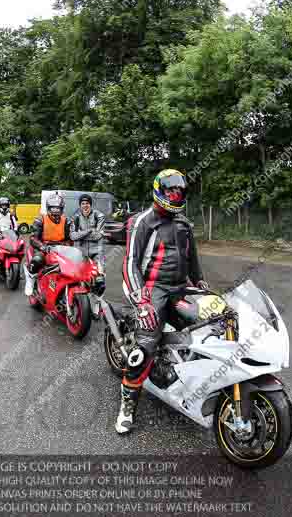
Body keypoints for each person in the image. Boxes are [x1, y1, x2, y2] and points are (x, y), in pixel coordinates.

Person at [115, 169, 209, 435]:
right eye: (171, 192)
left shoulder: (184, 224)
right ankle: (127, 406)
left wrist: (201, 284)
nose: (175, 196)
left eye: (179, 192)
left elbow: (193, 261)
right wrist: (142, 300)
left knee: (207, 324)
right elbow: (130, 262)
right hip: (151, 289)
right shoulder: (142, 221)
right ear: (159, 190)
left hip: (179, 288)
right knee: (144, 346)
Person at [25, 194, 73, 296]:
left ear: (62, 209)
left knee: (76, 263)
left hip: (61, 248)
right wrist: (43, 247)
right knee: (37, 260)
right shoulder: (40, 220)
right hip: (44, 247)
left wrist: (68, 245)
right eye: (53, 208)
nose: (55, 211)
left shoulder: (67, 221)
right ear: (48, 208)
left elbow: (70, 238)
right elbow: (33, 238)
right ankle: (30, 280)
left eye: (58, 208)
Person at [70, 194, 106, 274]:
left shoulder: (99, 216)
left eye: (87, 203)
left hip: (97, 252)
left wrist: (80, 234)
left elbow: (98, 236)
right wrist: (89, 231)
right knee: (79, 277)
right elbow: (72, 236)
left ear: (90, 205)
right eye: (82, 204)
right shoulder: (75, 217)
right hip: (80, 252)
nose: (85, 206)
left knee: (99, 277)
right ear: (80, 205)